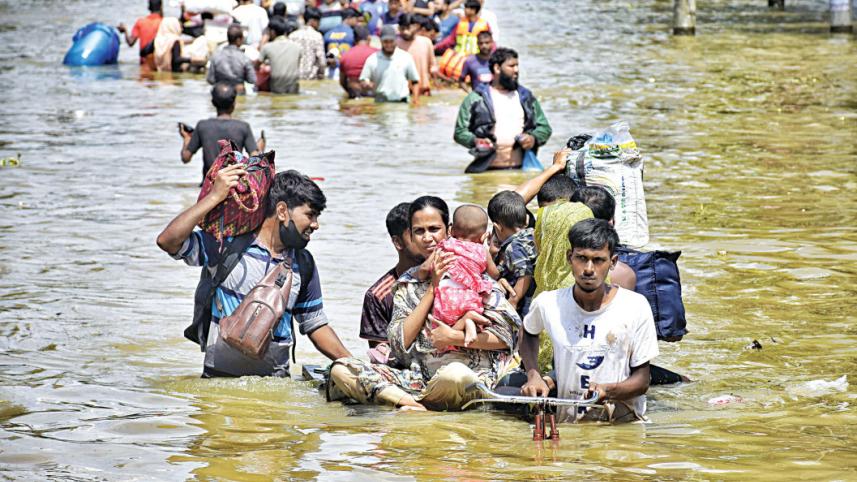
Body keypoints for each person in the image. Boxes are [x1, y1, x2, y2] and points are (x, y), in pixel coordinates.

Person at [328, 196, 520, 411]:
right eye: (419, 231)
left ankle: (405, 403)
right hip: (419, 381)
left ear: (449, 231)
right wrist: (432, 289)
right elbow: (399, 346)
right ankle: (413, 405)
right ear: (410, 236)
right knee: (341, 368)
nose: (427, 238)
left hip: (470, 377)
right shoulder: (408, 284)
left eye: (434, 229)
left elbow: (509, 337)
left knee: (455, 375)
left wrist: (454, 337)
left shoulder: (476, 275)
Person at [157, 170, 352, 378]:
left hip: (276, 384)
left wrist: (353, 364)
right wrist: (214, 197)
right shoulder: (226, 246)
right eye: (310, 215)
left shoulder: (303, 264)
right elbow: (168, 241)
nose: (315, 225)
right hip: (218, 379)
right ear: (282, 211)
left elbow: (315, 324)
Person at [520, 219, 658, 423]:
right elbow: (527, 331)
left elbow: (642, 380)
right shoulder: (548, 303)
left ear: (613, 262)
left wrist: (608, 391)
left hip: (622, 426)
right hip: (568, 425)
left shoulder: (635, 306)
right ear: (569, 257)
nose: (588, 269)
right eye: (581, 258)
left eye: (598, 260)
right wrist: (533, 375)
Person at [454, 47, 552, 172]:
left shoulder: (525, 97)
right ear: (497, 68)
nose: (516, 70)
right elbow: (460, 132)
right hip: (486, 171)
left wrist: (533, 139)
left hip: (520, 170)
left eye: (517, 66)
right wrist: (475, 141)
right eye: (511, 66)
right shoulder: (476, 98)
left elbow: (544, 128)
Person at [360, 202, 423, 350]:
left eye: (432, 230)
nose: (427, 238)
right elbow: (382, 355)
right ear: (398, 242)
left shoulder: (454, 280)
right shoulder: (378, 296)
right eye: (416, 233)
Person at [432, 205, 493, 347]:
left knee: (441, 325)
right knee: (475, 309)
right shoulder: (482, 250)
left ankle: (466, 322)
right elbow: (494, 273)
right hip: (468, 296)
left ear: (451, 230)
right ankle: (469, 320)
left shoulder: (445, 245)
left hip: (446, 294)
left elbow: (430, 267)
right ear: (484, 237)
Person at [179, 83, 265, 182]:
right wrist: (260, 148)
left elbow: (185, 158)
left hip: (209, 187)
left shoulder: (202, 126)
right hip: (233, 185)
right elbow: (255, 162)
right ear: (234, 104)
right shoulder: (243, 127)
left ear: (212, 102)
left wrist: (186, 138)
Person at [487, 191, 536, 317]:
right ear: (526, 220)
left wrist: (514, 300)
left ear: (497, 227)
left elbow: (525, 273)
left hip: (526, 298)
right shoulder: (532, 234)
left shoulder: (514, 246)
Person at [359, 26, 420, 104]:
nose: (389, 45)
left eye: (391, 41)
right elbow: (363, 80)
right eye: (385, 42)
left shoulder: (406, 57)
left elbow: (415, 81)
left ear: (396, 40)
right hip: (381, 103)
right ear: (381, 41)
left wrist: (415, 100)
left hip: (402, 103)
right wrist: (366, 84)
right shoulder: (372, 60)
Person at [207, 24, 257, 93]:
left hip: (220, 93)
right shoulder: (245, 58)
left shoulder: (216, 56)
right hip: (238, 93)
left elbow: (210, 80)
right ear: (239, 40)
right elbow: (252, 80)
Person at [257, 17, 302, 94]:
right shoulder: (298, 47)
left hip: (276, 89)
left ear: (272, 32)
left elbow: (256, 66)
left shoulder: (267, 47)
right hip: (294, 89)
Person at [396, 14, 437, 96]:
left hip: (423, 89)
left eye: (408, 28)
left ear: (416, 26)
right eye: (402, 29)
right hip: (403, 91)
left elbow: (433, 66)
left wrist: (435, 81)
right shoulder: (396, 44)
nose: (405, 32)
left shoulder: (426, 43)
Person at [117, 0, 163, 70]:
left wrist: (125, 30)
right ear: (161, 7)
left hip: (144, 63)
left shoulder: (141, 22)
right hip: (159, 63)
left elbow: (130, 42)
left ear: (148, 7)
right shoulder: (164, 22)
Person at [339, 25, 377, 98]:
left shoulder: (345, 56)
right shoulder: (377, 54)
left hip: (354, 93)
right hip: (372, 93)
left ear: (354, 39)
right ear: (369, 38)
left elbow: (342, 82)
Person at [290, 7, 326, 80]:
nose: (319, 24)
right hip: (311, 78)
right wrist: (321, 74)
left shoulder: (292, 36)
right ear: (313, 21)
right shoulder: (317, 36)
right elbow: (321, 61)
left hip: (295, 78)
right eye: (318, 21)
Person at [323, 7, 359, 78]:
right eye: (356, 18)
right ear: (349, 18)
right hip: (346, 71)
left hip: (330, 70)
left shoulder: (328, 33)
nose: (357, 21)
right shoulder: (354, 33)